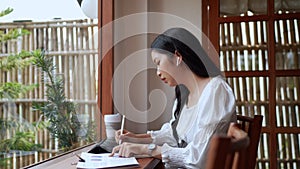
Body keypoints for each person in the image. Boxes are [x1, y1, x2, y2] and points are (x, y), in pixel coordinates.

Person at [110, 27, 236, 168]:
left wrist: (147, 149)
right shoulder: (185, 95)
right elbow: (174, 135)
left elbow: (199, 157)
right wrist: (135, 138)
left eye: (158, 62)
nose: (157, 72)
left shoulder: (215, 90)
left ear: (177, 57)